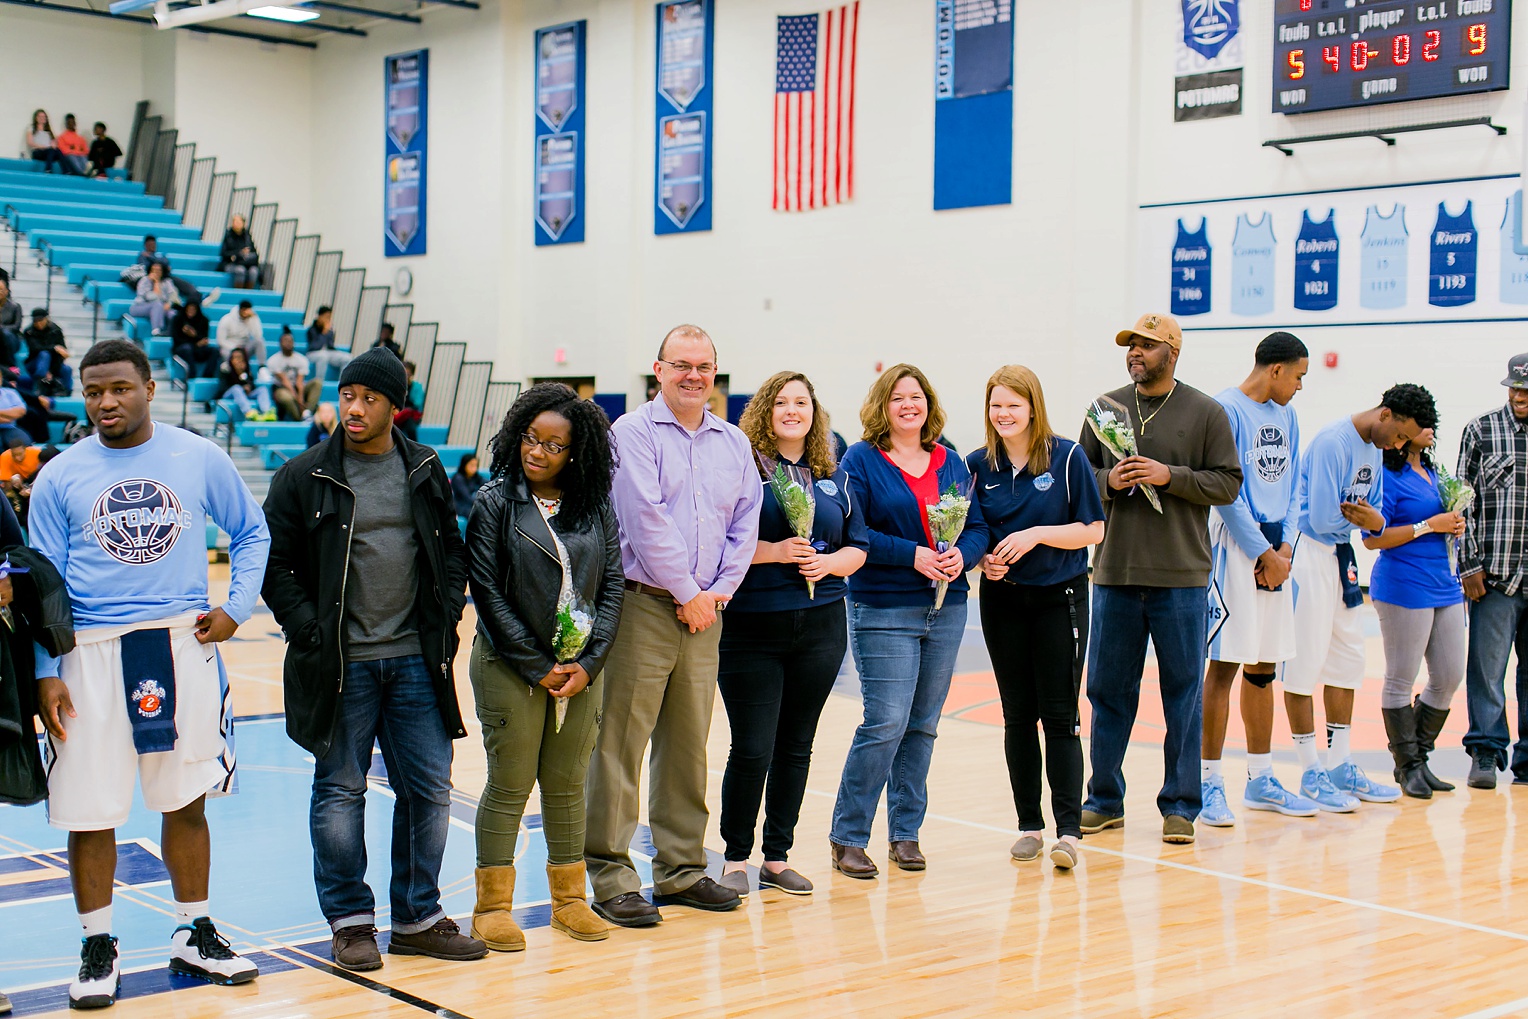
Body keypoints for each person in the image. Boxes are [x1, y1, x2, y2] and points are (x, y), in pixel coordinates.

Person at [30, 339, 270, 1009]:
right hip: (88, 653)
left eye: (120, 388)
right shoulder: (58, 475)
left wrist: (236, 607)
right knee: (89, 807)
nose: (106, 402)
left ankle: (194, 928)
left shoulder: (197, 456)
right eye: (93, 391)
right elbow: (41, 585)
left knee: (185, 796)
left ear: (149, 387)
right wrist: (47, 669)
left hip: (180, 642)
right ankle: (98, 943)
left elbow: (253, 531)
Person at [262, 349, 481, 972]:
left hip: (416, 660)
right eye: (346, 395)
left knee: (429, 790)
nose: (354, 409)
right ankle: (351, 922)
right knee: (340, 790)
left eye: (369, 398)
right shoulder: (302, 476)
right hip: (340, 663)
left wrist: (450, 611)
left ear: (395, 406)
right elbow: (275, 568)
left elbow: (451, 548)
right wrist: (306, 628)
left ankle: (417, 917)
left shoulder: (425, 467)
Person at [584, 324, 762, 927]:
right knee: (619, 745)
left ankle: (682, 870)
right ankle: (610, 873)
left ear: (716, 373)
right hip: (645, 605)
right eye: (681, 365)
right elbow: (643, 517)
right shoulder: (629, 434)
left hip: (707, 612)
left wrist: (717, 594)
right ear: (658, 370)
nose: (694, 376)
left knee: (688, 746)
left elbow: (745, 525)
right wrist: (690, 593)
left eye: (704, 366)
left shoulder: (734, 443)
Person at [464, 384, 624, 950]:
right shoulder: (493, 503)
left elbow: (611, 589)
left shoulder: (595, 506)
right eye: (532, 438)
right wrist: (537, 665)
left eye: (554, 445)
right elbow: (485, 591)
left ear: (575, 454)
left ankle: (570, 901)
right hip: (511, 666)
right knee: (509, 783)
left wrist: (589, 662)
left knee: (566, 785)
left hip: (580, 671)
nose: (538, 451)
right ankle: (492, 906)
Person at [1078, 313, 1241, 845]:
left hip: (1181, 580)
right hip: (1114, 574)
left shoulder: (1206, 412)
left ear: (1173, 352)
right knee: (1107, 692)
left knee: (1184, 694)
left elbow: (1227, 484)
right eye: (1131, 346)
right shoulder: (1104, 409)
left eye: (1147, 346)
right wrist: (1111, 478)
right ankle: (1104, 800)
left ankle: (1180, 806)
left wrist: (1169, 476)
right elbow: (1077, 483)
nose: (1135, 353)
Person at [830, 364, 988, 877]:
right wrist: (913, 556)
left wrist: (962, 555)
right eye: (897, 397)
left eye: (916, 396)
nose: (908, 405)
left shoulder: (951, 459)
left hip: (947, 607)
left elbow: (977, 524)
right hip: (883, 605)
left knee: (922, 726)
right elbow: (854, 532)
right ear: (883, 405)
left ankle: (905, 834)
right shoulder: (860, 460)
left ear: (928, 403)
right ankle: (849, 835)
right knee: (885, 722)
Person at [717, 372, 867, 897]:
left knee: (796, 746)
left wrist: (827, 567)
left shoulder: (833, 473)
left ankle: (776, 857)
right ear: (765, 410)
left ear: (814, 412)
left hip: (822, 627)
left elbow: (858, 547)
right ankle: (736, 856)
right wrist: (776, 551)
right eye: (781, 401)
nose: (791, 410)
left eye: (801, 402)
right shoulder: (742, 468)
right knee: (753, 747)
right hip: (752, 625)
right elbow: (715, 544)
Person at [969, 365, 1104, 870]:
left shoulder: (1067, 457)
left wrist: (1038, 534)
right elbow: (971, 532)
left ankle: (1069, 832)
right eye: (996, 405)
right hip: (1002, 602)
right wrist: (984, 559)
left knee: (1060, 716)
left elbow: (1094, 530)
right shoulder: (977, 464)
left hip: (1059, 598)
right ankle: (1029, 826)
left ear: (1033, 408)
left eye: (1013, 405)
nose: (1004, 414)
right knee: (1017, 716)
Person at [1281, 385, 1430, 809]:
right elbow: (1327, 516)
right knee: (1305, 664)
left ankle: (1341, 763)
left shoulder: (1375, 451)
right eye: (1401, 435)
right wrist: (1367, 517)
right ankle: (1311, 770)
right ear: (1385, 414)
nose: (1400, 445)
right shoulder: (1333, 442)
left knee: (1348, 661)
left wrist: (1369, 517)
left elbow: (1378, 518)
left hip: (1341, 555)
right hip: (1309, 552)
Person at [1199, 333, 1318, 827]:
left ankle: (1262, 778)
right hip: (1235, 552)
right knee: (1224, 666)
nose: (1299, 387)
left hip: (1277, 556)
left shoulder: (1287, 415)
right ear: (1275, 370)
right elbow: (1226, 493)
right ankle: (1206, 784)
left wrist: (1286, 547)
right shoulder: (1225, 411)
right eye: (1298, 377)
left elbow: (1292, 488)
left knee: (1264, 668)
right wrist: (1262, 551)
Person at [1363, 415, 1466, 799]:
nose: (1431, 429)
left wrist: (1453, 524)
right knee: (1401, 677)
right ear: (1402, 433)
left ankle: (1419, 759)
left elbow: (1439, 522)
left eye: (1433, 423)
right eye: (1424, 423)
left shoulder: (1434, 471)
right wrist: (1429, 525)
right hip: (1404, 584)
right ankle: (1408, 767)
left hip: (1444, 582)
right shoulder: (1387, 477)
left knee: (1450, 674)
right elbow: (1373, 539)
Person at [1458, 353, 1528, 788]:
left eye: (1527, 390)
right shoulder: (1481, 431)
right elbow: (1463, 505)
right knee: (1487, 670)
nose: (1520, 396)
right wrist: (1469, 564)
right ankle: (1485, 752)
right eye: (1515, 388)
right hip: (1496, 577)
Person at [265, 329, 317, 421]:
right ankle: (299, 417)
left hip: (298, 387)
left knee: (317, 383)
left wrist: (300, 397)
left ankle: (307, 412)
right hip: (282, 388)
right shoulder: (273, 360)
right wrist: (298, 400)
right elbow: (285, 381)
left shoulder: (301, 359)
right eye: (285, 341)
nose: (288, 343)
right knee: (286, 397)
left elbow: (299, 382)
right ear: (280, 344)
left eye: (290, 341)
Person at [22, 308, 73, 396]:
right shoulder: (29, 332)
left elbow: (61, 352)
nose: (38, 323)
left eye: (41, 320)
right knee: (44, 355)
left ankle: (66, 391)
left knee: (67, 369)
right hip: (34, 363)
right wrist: (54, 348)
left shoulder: (56, 330)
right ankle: (39, 385)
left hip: (53, 364)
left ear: (46, 319)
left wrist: (51, 370)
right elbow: (35, 349)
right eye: (36, 321)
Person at [215, 347, 273, 421]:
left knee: (262, 389)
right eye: (235, 358)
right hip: (229, 394)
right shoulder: (225, 370)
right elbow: (223, 388)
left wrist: (246, 381)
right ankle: (248, 413)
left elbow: (252, 386)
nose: (238, 360)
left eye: (240, 358)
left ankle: (266, 412)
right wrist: (238, 376)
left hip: (243, 394)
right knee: (236, 388)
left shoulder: (246, 370)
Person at [171, 302, 218, 380]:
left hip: (198, 349)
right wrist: (195, 343)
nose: (191, 311)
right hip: (181, 348)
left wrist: (194, 335)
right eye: (189, 309)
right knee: (187, 348)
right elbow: (176, 339)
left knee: (215, 351)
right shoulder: (178, 319)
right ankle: (191, 375)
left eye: (193, 309)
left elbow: (204, 339)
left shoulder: (204, 320)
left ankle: (208, 375)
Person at [129, 263, 180, 336]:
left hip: (161, 308)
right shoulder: (144, 280)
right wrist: (156, 283)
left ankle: (171, 333)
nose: (156, 272)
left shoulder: (167, 282)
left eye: (159, 270)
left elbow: (173, 295)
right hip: (140, 307)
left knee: (173, 314)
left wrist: (169, 304)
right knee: (157, 305)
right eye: (154, 270)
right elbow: (153, 297)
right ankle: (156, 330)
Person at [305, 306, 352, 381]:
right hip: (313, 353)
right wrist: (324, 332)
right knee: (323, 357)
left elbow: (330, 345)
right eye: (326, 317)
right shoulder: (312, 329)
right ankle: (319, 382)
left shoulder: (330, 331)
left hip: (328, 353)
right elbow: (315, 346)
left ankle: (342, 383)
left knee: (347, 357)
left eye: (329, 317)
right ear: (319, 317)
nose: (328, 320)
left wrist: (329, 333)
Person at [216, 301, 264, 367]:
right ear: (241, 310)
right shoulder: (226, 320)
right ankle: (228, 367)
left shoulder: (251, 319)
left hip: (244, 347)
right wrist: (234, 347)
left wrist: (254, 319)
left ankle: (262, 367)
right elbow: (220, 341)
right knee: (224, 351)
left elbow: (258, 336)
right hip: (230, 347)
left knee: (259, 342)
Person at [218, 215, 259, 290]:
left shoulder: (247, 236)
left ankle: (248, 291)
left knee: (254, 271)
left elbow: (254, 252)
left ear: (243, 224)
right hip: (230, 263)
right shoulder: (228, 235)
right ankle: (238, 292)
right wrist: (238, 253)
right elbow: (223, 253)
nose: (235, 224)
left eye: (238, 222)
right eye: (234, 221)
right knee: (240, 270)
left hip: (245, 262)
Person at [452, 451, 485, 518]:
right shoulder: (458, 478)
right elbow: (466, 497)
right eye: (471, 465)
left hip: (471, 504)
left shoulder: (476, 477)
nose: (474, 468)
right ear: (464, 465)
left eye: (476, 465)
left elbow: (487, 483)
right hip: (461, 506)